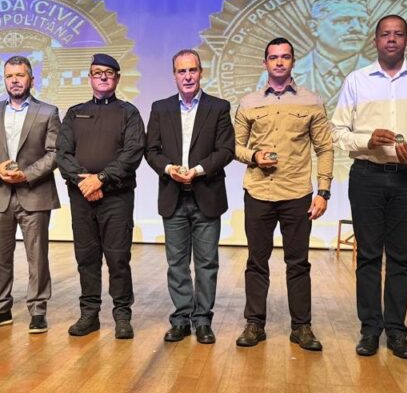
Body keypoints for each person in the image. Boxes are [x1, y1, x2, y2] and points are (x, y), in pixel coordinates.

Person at [330, 14, 407, 359]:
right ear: (376, 41)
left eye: (398, 34)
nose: (392, 40)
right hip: (367, 176)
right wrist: (367, 140)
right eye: (386, 34)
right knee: (368, 256)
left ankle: (397, 331)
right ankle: (370, 329)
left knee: (400, 258)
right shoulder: (357, 80)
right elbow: (338, 132)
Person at [233, 37, 334, 352]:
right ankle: (255, 324)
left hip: (296, 194)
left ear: (293, 62)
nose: (279, 62)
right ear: (265, 63)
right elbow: (233, 146)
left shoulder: (311, 101)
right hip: (259, 192)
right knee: (256, 261)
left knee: (298, 263)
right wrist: (253, 157)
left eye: (285, 57)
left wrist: (324, 192)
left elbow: (325, 148)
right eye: (273, 57)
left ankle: (302, 327)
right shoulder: (249, 102)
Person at [144, 49, 234, 344]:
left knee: (207, 263)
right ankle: (181, 318)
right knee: (177, 263)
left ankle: (203, 320)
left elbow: (225, 150)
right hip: (173, 195)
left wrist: (196, 170)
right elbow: (151, 150)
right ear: (174, 76)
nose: (187, 76)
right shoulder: (160, 108)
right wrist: (170, 169)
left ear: (201, 72)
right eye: (181, 71)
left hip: (205, 194)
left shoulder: (218, 107)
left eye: (192, 70)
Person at [56, 53, 145, 339]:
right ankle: (89, 314)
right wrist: (85, 182)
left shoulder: (128, 112)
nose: (103, 77)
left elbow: (132, 153)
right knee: (86, 257)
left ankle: (122, 316)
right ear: (90, 77)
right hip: (81, 197)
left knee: (118, 258)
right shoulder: (74, 112)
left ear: (118, 78)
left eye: (109, 72)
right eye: (97, 72)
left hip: (116, 197)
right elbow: (63, 153)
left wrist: (101, 179)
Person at [0, 56, 60, 334]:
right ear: (4, 80)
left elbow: (55, 153)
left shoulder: (48, 112)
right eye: (10, 76)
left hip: (34, 193)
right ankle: (0, 309)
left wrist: (28, 174)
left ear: (32, 80)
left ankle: (38, 310)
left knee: (37, 256)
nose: (15, 80)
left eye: (21, 75)